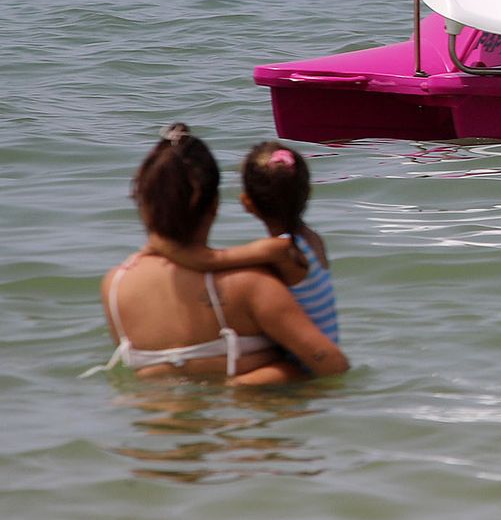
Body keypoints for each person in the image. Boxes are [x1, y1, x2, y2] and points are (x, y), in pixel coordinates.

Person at [87, 124, 349, 384]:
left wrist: (162, 247)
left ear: (142, 201)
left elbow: (210, 259)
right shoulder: (252, 283)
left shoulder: (114, 286)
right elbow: (329, 362)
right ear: (214, 204)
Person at [146, 141, 339, 346]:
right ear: (307, 192)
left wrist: (162, 245)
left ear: (247, 203)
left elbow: (210, 260)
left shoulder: (280, 248)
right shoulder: (312, 240)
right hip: (325, 345)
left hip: (308, 358)